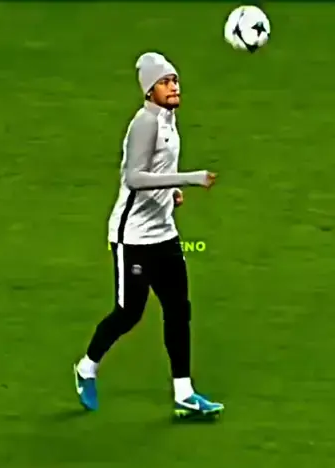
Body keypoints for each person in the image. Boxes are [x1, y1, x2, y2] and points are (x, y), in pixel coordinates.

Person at [74, 52, 224, 418]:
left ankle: (184, 394)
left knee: (178, 309)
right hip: (134, 239)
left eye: (175, 80)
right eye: (164, 82)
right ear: (148, 90)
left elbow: (156, 171)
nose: (174, 87)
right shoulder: (145, 123)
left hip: (164, 234)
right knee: (129, 313)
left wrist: (171, 193)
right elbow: (134, 178)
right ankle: (86, 368)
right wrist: (189, 178)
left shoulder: (169, 120)